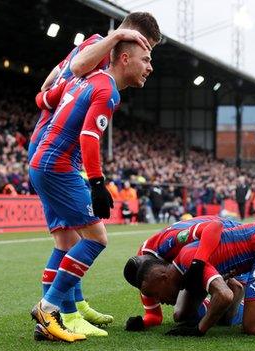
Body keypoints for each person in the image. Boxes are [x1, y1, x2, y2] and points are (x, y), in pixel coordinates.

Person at [29, 13, 161, 342]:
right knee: (96, 238)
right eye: (147, 56)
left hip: (44, 159)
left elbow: (46, 94)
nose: (150, 65)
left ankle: (62, 313)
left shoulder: (87, 78)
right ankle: (50, 309)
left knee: (67, 240)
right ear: (125, 53)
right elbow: (89, 136)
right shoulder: (103, 81)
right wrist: (97, 184)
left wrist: (47, 102)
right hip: (57, 164)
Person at [122, 215, 242, 331]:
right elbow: (154, 316)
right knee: (182, 314)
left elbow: (213, 228)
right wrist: (142, 323)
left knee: (233, 316)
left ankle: (238, 294)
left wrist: (198, 265)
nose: (158, 300)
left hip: (226, 233)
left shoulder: (168, 244)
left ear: (160, 274)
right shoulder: (145, 278)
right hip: (200, 248)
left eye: (156, 295)